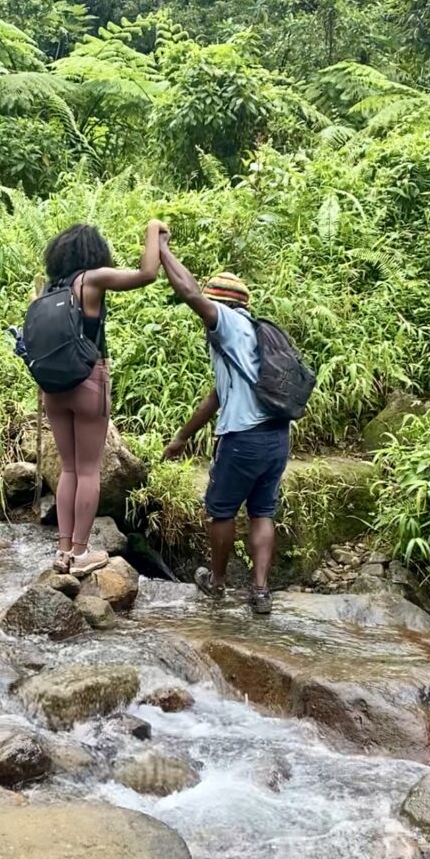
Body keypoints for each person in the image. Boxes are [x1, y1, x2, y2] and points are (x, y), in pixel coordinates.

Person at [160, 241, 289, 615]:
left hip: (243, 439)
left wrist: (162, 248)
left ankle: (216, 584)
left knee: (222, 511)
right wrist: (182, 437)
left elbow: (188, 291)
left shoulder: (226, 323)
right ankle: (260, 592)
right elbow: (216, 396)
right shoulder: (256, 334)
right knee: (262, 512)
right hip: (277, 437)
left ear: (220, 304)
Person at [42, 220, 167, 578]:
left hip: (53, 388)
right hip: (88, 381)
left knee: (68, 469)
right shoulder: (92, 280)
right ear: (94, 254)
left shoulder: (49, 290)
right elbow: (147, 273)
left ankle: (63, 552)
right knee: (88, 469)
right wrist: (153, 229)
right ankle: (81, 554)